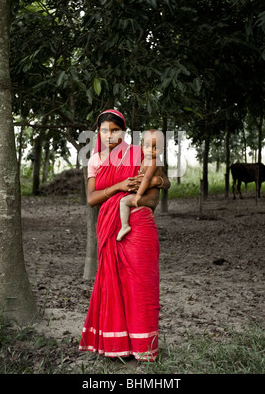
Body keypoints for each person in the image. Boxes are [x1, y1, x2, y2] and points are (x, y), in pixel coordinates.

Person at [79, 109, 170, 362]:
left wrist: (151, 186)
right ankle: (116, 346)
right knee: (113, 284)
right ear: (98, 133)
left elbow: (161, 186)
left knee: (141, 285)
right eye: (104, 130)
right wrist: (118, 187)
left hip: (140, 224)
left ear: (124, 131)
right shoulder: (95, 160)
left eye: (115, 130)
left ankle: (144, 348)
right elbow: (91, 199)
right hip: (110, 227)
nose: (110, 135)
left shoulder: (141, 153)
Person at [116, 129, 164, 241]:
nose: (150, 150)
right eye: (147, 146)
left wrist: (138, 195)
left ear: (162, 150)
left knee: (124, 201)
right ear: (142, 145)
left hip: (149, 199)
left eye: (155, 148)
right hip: (148, 198)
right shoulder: (144, 161)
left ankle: (124, 226)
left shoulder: (153, 161)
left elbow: (146, 179)